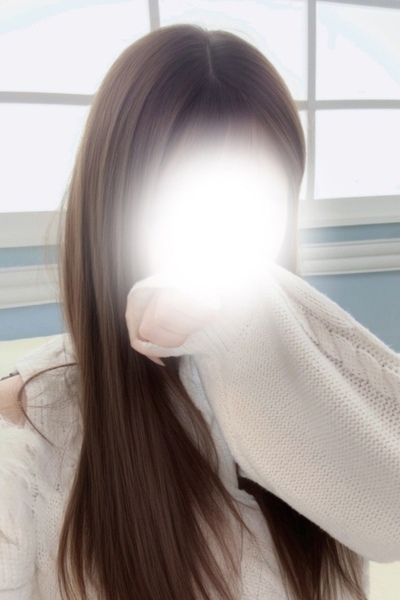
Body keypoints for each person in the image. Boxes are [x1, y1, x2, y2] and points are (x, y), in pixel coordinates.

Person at [0, 23, 399, 600]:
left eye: (258, 201)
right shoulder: (26, 436)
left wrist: (248, 323)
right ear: (114, 209)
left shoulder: (299, 385)